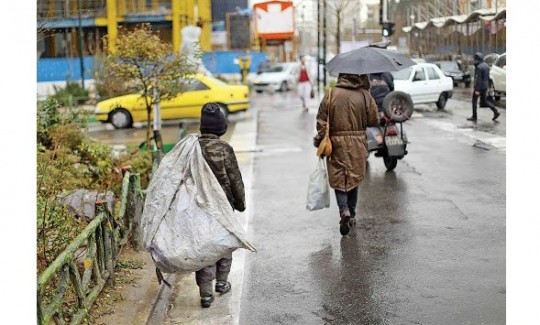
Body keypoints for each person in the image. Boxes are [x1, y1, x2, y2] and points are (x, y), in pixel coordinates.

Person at [313, 74, 379, 236]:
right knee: (354, 177)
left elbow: (321, 120)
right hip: (358, 142)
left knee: (339, 177)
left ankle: (344, 210)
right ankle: (352, 213)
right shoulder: (364, 95)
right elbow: (373, 120)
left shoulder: (331, 93)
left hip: (335, 143)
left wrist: (321, 138)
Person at [196, 103, 246, 308]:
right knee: (224, 243)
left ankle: (205, 293)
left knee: (204, 247)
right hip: (223, 206)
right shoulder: (224, 149)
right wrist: (240, 203)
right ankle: (222, 282)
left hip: (198, 207)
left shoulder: (193, 148)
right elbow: (235, 178)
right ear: (221, 127)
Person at [467, 52, 500, 122]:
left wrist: (477, 90)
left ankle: (474, 116)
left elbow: (478, 79)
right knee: (485, 101)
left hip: (479, 87)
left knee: (474, 101)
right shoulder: (486, 66)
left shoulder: (479, 67)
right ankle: (495, 111)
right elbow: (487, 77)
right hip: (485, 86)